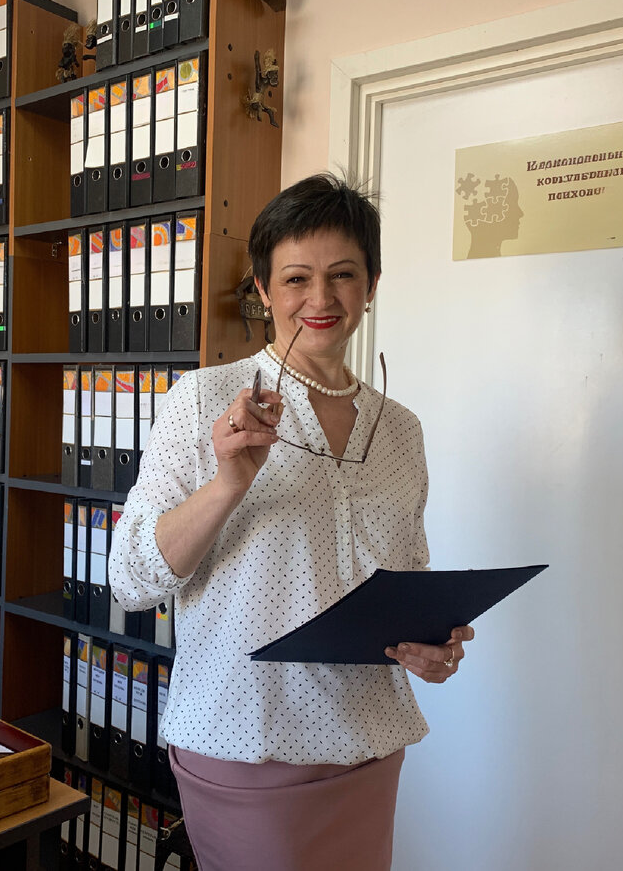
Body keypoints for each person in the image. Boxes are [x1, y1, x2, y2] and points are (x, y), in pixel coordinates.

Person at [108, 173, 474, 871]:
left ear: (371, 284)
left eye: (343, 275)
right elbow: (130, 579)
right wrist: (228, 483)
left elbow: (406, 580)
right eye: (297, 278)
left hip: (368, 743)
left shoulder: (401, 429)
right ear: (264, 288)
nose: (321, 299)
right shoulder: (205, 399)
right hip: (246, 741)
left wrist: (433, 647)